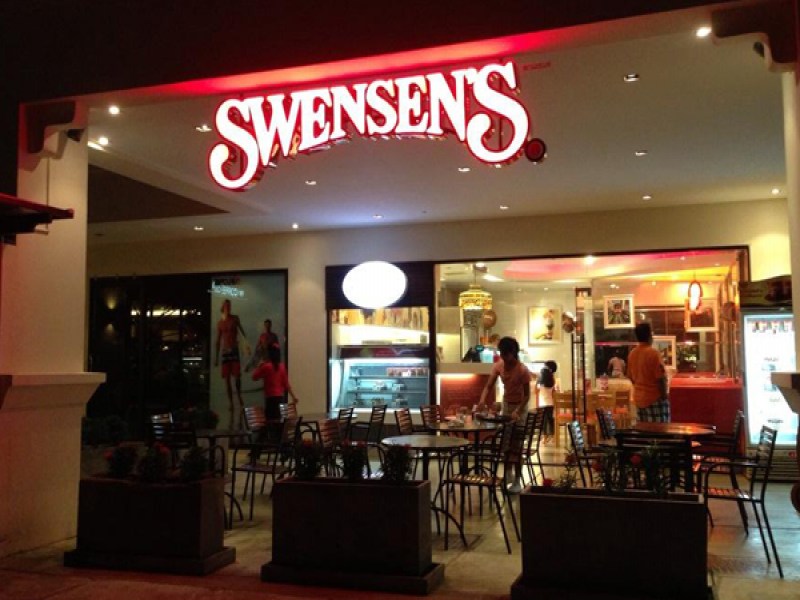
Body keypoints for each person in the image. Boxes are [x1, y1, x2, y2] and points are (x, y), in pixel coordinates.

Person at [478, 336, 530, 493]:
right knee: (505, 444)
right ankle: (507, 475)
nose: (504, 358)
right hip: (506, 405)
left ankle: (517, 480)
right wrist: (482, 401)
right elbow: (488, 386)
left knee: (517, 446)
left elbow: (527, 395)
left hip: (520, 408)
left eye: (506, 355)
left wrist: (518, 411)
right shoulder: (499, 366)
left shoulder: (522, 370)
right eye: (502, 354)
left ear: (514, 353)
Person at [214, 299, 250, 429]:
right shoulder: (220, 323)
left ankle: (239, 396)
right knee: (227, 379)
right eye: (226, 306)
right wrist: (216, 357)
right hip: (225, 351)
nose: (228, 308)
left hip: (234, 350)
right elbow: (218, 340)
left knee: (237, 376)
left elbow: (242, 332)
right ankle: (231, 402)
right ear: (223, 307)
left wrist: (246, 344)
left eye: (229, 306)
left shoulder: (235, 319)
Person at [627, 322, 670, 423]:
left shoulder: (632, 354)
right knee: (660, 429)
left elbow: (630, 377)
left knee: (644, 429)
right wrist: (664, 397)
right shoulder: (653, 353)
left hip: (638, 399)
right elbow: (661, 378)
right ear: (649, 335)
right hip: (654, 399)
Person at [252, 343, 299, 421]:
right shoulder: (282, 367)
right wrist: (293, 397)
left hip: (270, 399)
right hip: (280, 398)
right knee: (279, 421)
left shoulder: (266, 366)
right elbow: (286, 384)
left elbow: (254, 377)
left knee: (270, 421)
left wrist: (259, 366)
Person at [536, 360, 558, 443]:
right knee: (550, 420)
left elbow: (536, 390)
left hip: (542, 403)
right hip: (550, 403)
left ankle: (545, 437)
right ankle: (553, 436)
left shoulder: (540, 381)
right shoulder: (552, 380)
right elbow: (553, 392)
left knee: (543, 421)